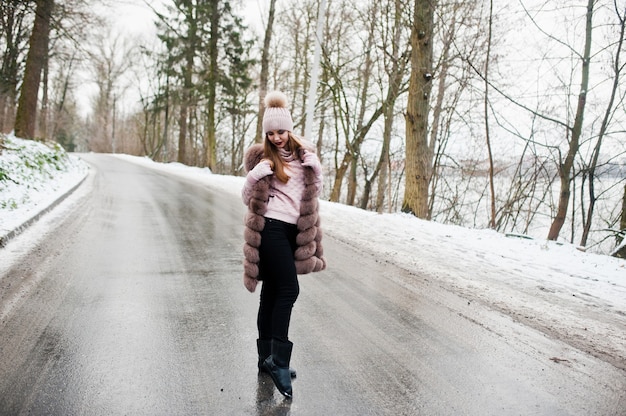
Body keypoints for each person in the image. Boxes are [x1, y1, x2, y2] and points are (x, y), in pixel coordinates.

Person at [241, 91, 326, 398]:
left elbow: (313, 192)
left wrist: (316, 169)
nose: (276, 137)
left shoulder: (304, 156)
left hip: (294, 231)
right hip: (271, 230)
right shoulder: (263, 160)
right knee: (290, 290)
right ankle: (278, 360)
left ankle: (266, 358)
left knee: (274, 292)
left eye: (281, 131)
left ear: (290, 129)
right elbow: (245, 198)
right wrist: (253, 176)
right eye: (270, 133)